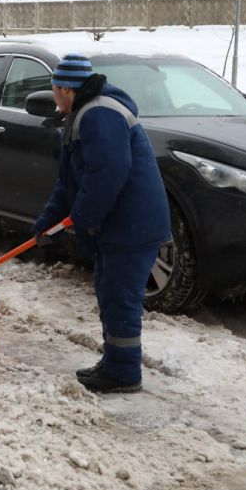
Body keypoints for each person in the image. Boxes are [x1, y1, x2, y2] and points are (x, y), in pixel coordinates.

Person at [33, 54, 171, 394]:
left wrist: (82, 219)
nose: (54, 97)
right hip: (121, 224)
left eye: (54, 90)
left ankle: (124, 374)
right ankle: (114, 363)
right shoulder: (83, 113)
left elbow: (107, 175)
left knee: (120, 297)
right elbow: (70, 182)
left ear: (65, 89)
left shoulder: (99, 114)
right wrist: (47, 223)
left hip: (132, 223)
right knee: (109, 294)